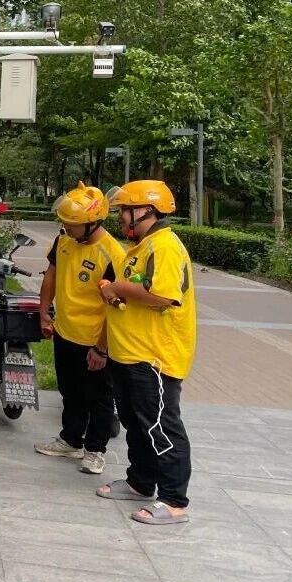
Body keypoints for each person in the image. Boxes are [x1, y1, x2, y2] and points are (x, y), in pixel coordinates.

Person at [95, 180, 196, 525]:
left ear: (146, 211)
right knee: (136, 424)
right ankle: (140, 482)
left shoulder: (164, 246)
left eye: (126, 210)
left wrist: (117, 287)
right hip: (130, 353)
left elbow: (164, 296)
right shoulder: (142, 246)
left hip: (154, 356)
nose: (121, 217)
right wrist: (115, 293)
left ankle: (173, 500)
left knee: (161, 427)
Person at [34, 182, 125, 475]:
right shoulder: (64, 241)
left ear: (92, 222)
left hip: (94, 339)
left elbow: (117, 308)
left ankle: (95, 450)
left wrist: (102, 348)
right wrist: (44, 312)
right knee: (70, 391)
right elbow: (51, 275)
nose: (66, 227)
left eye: (71, 223)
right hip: (65, 331)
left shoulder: (112, 254)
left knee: (98, 397)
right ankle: (71, 439)